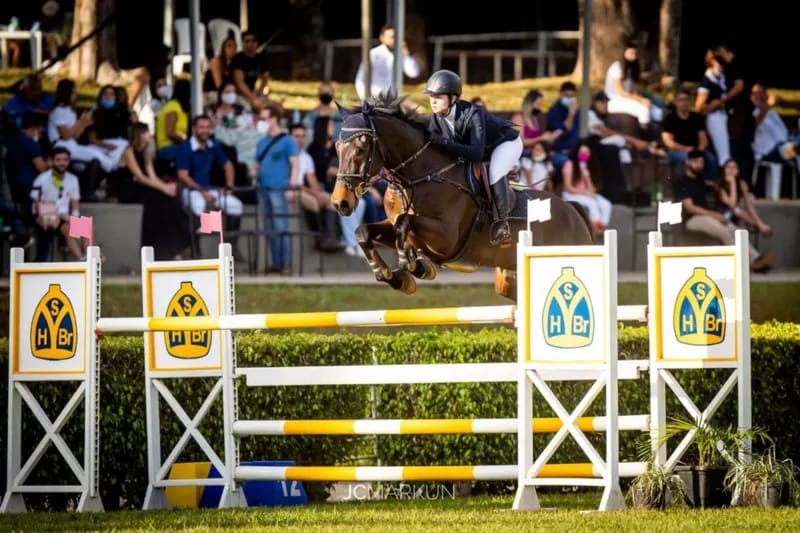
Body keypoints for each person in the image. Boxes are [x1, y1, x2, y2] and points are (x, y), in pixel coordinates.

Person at [422, 70, 521, 247]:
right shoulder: (436, 119)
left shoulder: (473, 114)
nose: (433, 101)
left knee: (494, 171)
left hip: (506, 144)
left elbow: (475, 153)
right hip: (482, 150)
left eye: (438, 97)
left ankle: (502, 224)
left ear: (453, 98)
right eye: (431, 96)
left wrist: (444, 143)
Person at [672, 150, 774, 273]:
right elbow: (690, 208)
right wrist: (715, 215)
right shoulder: (681, 182)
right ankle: (738, 265)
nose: (699, 164)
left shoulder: (699, 178)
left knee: (734, 230)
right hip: (692, 220)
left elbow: (715, 186)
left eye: (701, 162)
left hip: (707, 217)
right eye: (696, 162)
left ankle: (756, 260)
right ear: (687, 162)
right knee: (724, 231)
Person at [29, 147, 85, 261]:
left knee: (86, 227)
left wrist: (74, 218)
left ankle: (88, 259)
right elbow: (35, 204)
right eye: (58, 160)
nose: (62, 163)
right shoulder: (42, 179)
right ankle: (82, 260)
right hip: (45, 218)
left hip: (65, 219)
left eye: (65, 160)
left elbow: (75, 204)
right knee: (67, 228)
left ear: (69, 161)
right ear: (52, 161)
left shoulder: (73, 179)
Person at [354, 24, 420, 101]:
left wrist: (407, 53)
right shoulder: (373, 55)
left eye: (396, 37)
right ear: (382, 38)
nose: (395, 40)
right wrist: (367, 101)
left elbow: (414, 73)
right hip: (375, 100)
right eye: (392, 37)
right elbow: (360, 80)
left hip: (393, 100)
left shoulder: (401, 55)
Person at [604, 42, 663, 128]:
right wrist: (640, 100)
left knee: (657, 112)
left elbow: (633, 90)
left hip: (629, 98)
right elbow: (621, 93)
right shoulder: (616, 67)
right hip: (614, 100)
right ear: (624, 53)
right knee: (643, 110)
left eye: (635, 53)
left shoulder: (631, 69)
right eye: (631, 53)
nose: (633, 56)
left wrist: (642, 99)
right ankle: (645, 134)